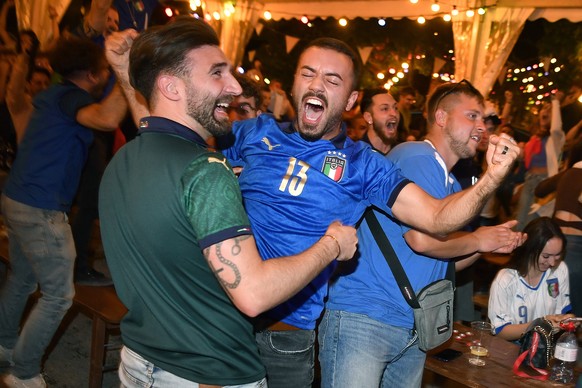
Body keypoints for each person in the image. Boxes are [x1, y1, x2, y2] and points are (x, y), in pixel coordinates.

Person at [109, 31, 522, 387]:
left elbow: (435, 218)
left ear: (352, 98)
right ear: (293, 84)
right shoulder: (254, 132)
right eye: (308, 73)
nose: (317, 85)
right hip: (220, 319)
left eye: (332, 79)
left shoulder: (364, 164)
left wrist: (491, 178)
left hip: (288, 334)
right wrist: (128, 76)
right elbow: (168, 139)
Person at [99, 18, 358, 387]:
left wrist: (125, 74)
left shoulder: (125, 160)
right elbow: (253, 295)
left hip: (140, 363)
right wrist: (332, 244)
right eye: (217, 73)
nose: (234, 87)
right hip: (210, 373)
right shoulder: (206, 172)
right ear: (171, 86)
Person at [320, 80, 525, 388]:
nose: (481, 126)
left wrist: (487, 244)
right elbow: (421, 240)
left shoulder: (453, 186)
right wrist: (479, 239)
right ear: (441, 118)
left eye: (483, 119)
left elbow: (444, 264)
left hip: (410, 326)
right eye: (471, 116)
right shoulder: (417, 156)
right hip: (366, 318)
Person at [0, 36, 126, 388]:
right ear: (91, 73)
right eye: (102, 71)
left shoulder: (51, 96)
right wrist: (125, 71)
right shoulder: (72, 97)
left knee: (23, 279)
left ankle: (4, 347)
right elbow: (106, 118)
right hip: (39, 208)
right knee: (59, 294)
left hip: (17, 198)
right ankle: (23, 372)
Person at [488, 217, 573, 341]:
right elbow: (500, 331)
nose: (552, 262)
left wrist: (567, 320)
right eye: (546, 256)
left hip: (544, 349)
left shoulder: (560, 269)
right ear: (530, 250)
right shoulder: (506, 279)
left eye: (558, 255)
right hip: (511, 350)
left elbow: (562, 312)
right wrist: (539, 324)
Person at [535, 138, 582, 317]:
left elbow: (539, 190)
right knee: (574, 313)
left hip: (554, 246)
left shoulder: (567, 174)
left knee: (550, 304)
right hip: (578, 248)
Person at [515, 94, 565, 231]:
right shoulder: (534, 138)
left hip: (543, 182)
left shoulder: (556, 138)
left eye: (550, 110)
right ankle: (516, 251)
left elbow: (555, 127)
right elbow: (524, 161)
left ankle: (529, 251)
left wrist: (555, 102)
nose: (546, 111)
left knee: (533, 221)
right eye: (544, 108)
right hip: (529, 179)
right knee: (520, 219)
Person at [359, 88, 401, 154]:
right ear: (368, 117)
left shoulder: (402, 153)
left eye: (395, 108)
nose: (394, 113)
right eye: (385, 109)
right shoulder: (356, 157)